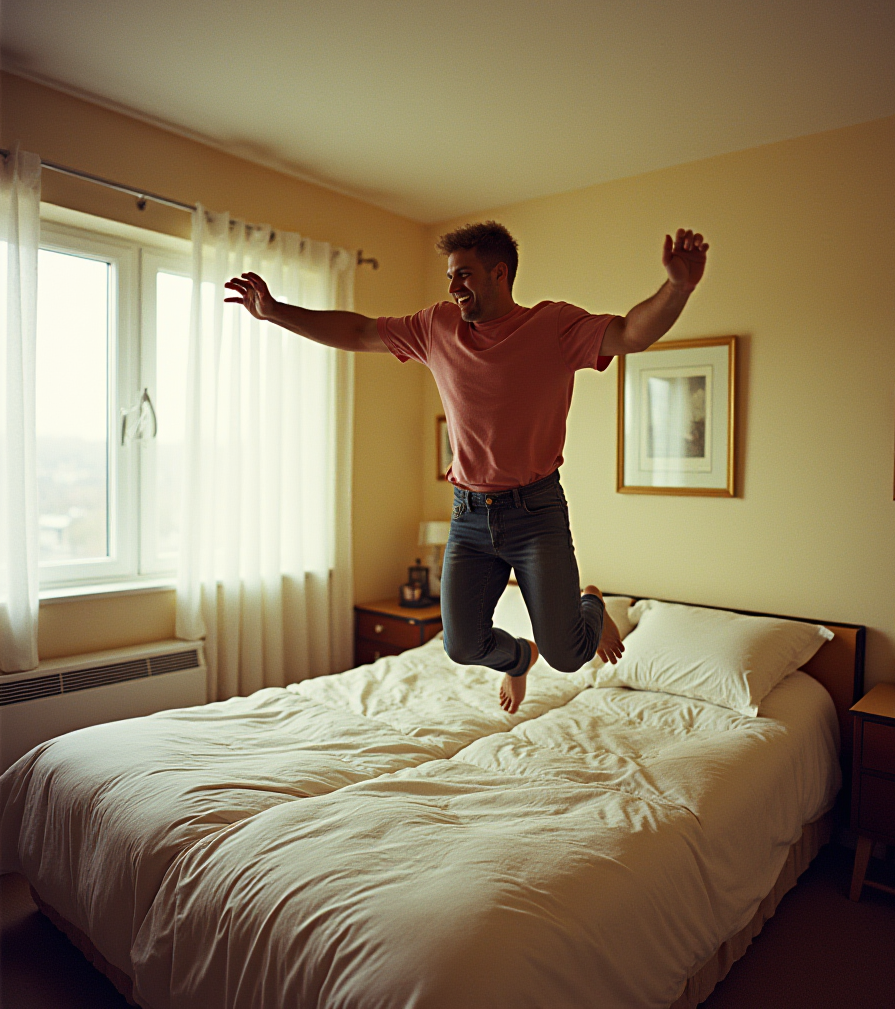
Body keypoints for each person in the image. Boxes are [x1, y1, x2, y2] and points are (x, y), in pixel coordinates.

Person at [225, 222, 708, 713]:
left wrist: (678, 287)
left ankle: (591, 604)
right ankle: (519, 658)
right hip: (469, 515)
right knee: (461, 644)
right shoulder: (437, 327)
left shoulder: (553, 326)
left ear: (499, 274)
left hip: (535, 512)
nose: (453, 287)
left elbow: (630, 333)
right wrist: (274, 312)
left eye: (464, 275)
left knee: (567, 656)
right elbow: (358, 331)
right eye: (450, 277)